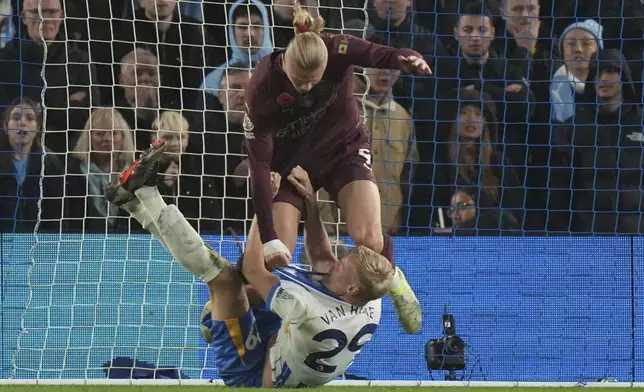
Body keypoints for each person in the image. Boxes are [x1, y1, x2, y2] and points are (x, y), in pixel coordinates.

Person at [104, 141, 394, 387]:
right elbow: (320, 256)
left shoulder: (306, 309)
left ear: (352, 289)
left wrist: (263, 201)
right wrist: (311, 202)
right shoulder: (372, 299)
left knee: (225, 280)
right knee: (261, 284)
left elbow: (254, 270)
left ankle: (145, 193)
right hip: (282, 341)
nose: (339, 261)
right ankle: (132, 200)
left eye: (345, 264)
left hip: (253, 371)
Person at [244, 5, 429, 334]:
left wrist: (405, 56)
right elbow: (258, 165)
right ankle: (230, 301)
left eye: (314, 82)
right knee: (273, 261)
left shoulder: (337, 48)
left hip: (344, 149)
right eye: (299, 82)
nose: (306, 89)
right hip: (291, 165)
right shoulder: (262, 87)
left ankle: (395, 281)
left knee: (368, 238)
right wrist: (270, 239)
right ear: (286, 64)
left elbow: (378, 54)